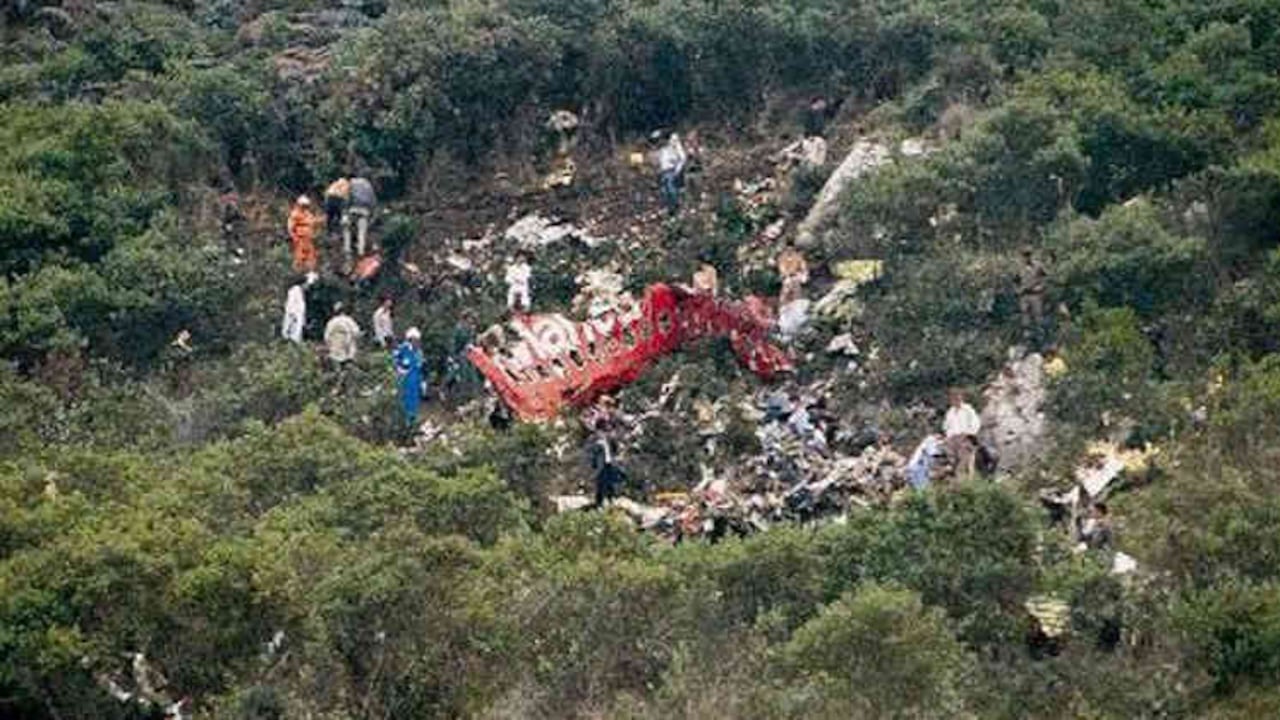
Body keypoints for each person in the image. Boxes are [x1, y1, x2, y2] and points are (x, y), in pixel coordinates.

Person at [943, 389, 982, 479]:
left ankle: (965, 481)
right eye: (953, 398)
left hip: (966, 437)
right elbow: (946, 426)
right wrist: (949, 436)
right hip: (953, 439)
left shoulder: (968, 409)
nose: (955, 400)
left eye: (957, 398)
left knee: (964, 462)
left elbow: (976, 423)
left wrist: (968, 433)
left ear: (961, 398)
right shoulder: (950, 412)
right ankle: (950, 469)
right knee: (948, 455)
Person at [588, 421, 626, 508]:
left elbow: (616, 450)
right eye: (603, 431)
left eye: (606, 431)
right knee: (601, 485)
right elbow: (591, 455)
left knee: (610, 483)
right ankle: (599, 503)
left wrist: (617, 458)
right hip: (601, 466)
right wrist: (594, 466)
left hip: (610, 464)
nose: (604, 433)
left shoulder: (609, 440)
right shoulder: (594, 441)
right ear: (598, 431)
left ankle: (611, 500)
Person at [394, 327, 425, 431]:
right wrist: (399, 369)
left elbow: (420, 366)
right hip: (404, 378)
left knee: (414, 400)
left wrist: (422, 382)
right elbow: (396, 360)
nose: (417, 343)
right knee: (404, 399)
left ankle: (413, 421)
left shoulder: (419, 352)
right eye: (415, 340)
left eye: (418, 340)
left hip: (415, 378)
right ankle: (404, 421)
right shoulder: (403, 349)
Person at [345, 176, 377, 266]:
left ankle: (348, 251)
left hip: (353, 209)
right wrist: (372, 213)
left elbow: (348, 197)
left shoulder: (351, 182)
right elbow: (373, 200)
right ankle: (360, 252)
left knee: (348, 230)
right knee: (362, 232)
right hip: (365, 211)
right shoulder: (368, 184)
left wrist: (345, 210)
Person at [654, 131, 688, 214]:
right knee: (664, 191)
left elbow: (682, 158)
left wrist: (677, 170)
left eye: (659, 139)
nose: (658, 142)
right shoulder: (661, 149)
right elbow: (660, 161)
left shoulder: (673, 146)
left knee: (671, 189)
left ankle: (675, 208)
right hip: (663, 172)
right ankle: (668, 208)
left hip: (671, 171)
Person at [1018, 247, 1048, 335]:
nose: (1026, 257)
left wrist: (1041, 287)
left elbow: (1045, 277)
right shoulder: (1019, 267)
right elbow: (1015, 280)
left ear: (1031, 255)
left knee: (1038, 314)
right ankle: (1027, 334)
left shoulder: (1038, 265)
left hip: (1035, 294)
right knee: (1025, 314)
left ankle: (1040, 333)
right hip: (1024, 295)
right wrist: (1018, 289)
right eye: (1024, 255)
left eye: (1028, 254)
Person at [281, 272, 317, 344]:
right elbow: (290, 306)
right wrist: (293, 317)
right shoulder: (294, 290)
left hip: (298, 320)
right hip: (293, 319)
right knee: (292, 336)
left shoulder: (301, 292)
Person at [286, 196, 318, 272]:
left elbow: (313, 222)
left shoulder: (308, 213)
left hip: (309, 238)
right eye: (303, 205)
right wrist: (294, 236)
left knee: (311, 256)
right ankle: (297, 272)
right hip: (300, 238)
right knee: (299, 256)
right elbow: (290, 227)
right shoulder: (295, 214)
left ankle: (310, 272)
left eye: (306, 205)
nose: (304, 207)